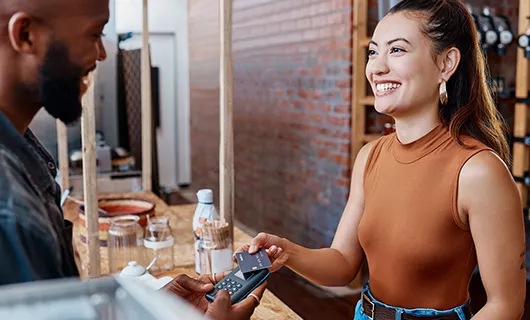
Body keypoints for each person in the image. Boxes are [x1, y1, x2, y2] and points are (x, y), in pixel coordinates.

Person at [237, 0, 526, 319]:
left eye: (397, 50)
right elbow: (342, 264)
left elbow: (506, 304)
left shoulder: (479, 171)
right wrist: (286, 252)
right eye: (374, 52)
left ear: (446, 63)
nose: (376, 67)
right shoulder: (370, 156)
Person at [0, 0, 264, 319]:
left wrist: (155, 309)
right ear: (26, 35)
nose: (101, 54)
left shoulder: (25, 158)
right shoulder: (10, 208)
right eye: (94, 34)